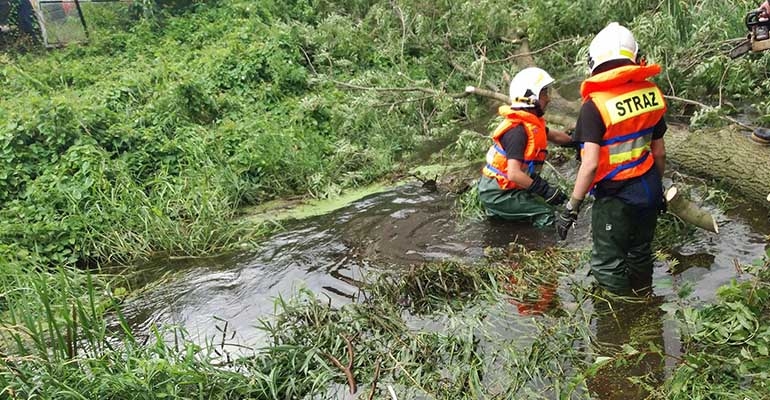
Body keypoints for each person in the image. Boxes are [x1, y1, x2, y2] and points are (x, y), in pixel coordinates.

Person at [556, 22, 667, 296]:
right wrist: (658, 190)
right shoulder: (650, 94)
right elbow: (659, 152)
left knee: (607, 263)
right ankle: (645, 298)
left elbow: (590, 164)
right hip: (649, 187)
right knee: (640, 252)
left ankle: (620, 313)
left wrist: (572, 207)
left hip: (616, 197)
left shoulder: (594, 106)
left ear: (594, 62)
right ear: (634, 57)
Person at [477, 67, 574, 227]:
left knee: (551, 202)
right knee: (546, 212)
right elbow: (514, 174)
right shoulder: (517, 132)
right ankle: (545, 242)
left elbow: (555, 136)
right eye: (544, 93)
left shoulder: (530, 124)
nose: (548, 99)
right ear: (530, 98)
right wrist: (544, 190)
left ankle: (506, 218)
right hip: (497, 193)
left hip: (506, 188)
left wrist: (576, 142)